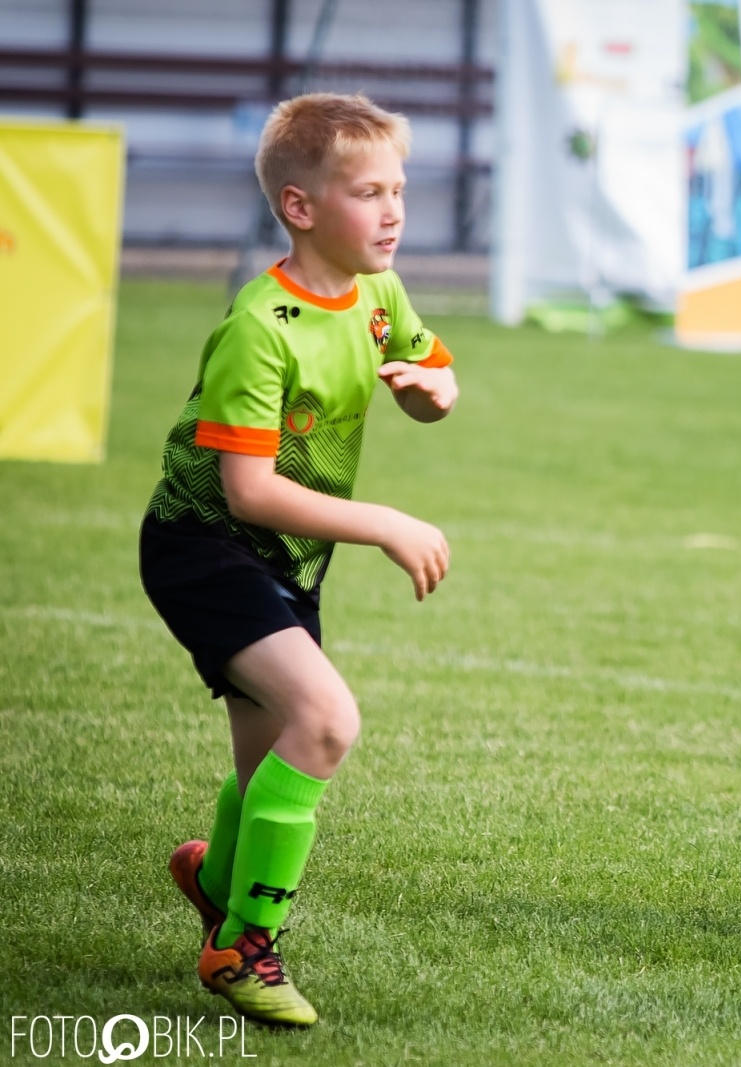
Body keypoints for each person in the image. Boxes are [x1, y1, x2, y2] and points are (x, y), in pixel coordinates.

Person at [141, 93, 459, 1026]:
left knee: (270, 760)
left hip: (284, 561)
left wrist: (434, 390)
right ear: (301, 206)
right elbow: (248, 490)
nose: (395, 211)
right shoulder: (261, 327)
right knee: (325, 719)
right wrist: (386, 521)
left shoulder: (376, 291)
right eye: (369, 193)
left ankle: (219, 878)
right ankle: (244, 945)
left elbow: (430, 371)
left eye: (400, 189)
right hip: (207, 546)